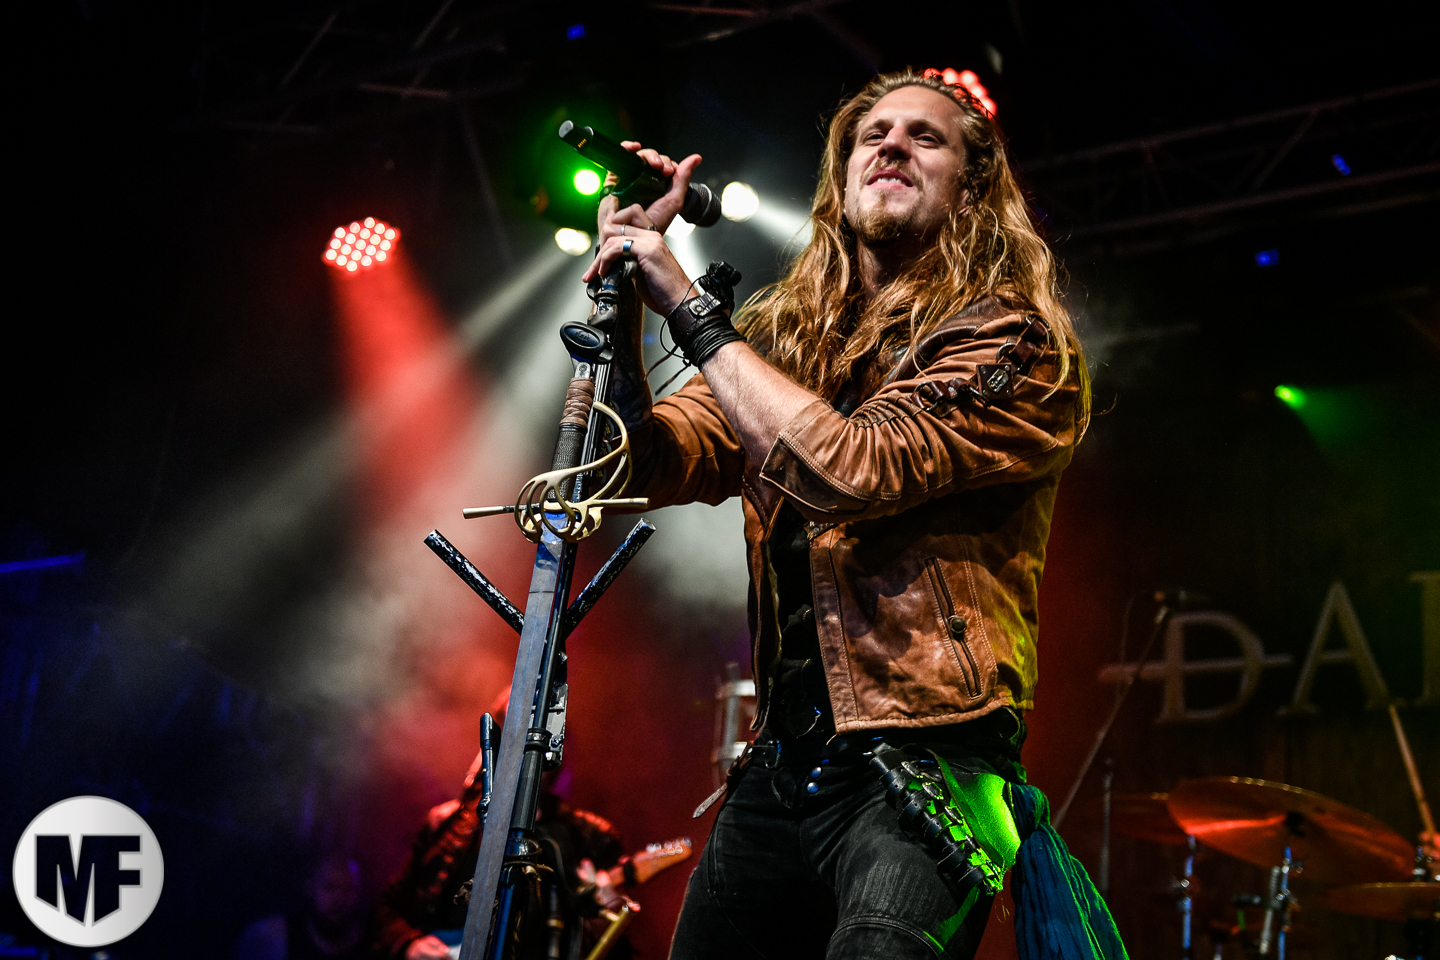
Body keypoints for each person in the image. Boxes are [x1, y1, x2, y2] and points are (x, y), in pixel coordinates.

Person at [580, 70, 1121, 959]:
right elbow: (635, 466)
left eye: (925, 136)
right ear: (841, 180)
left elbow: (856, 467)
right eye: (873, 134)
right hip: (781, 764)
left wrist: (690, 308)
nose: (892, 145)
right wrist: (629, 291)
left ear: (972, 188)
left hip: (928, 762)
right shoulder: (786, 346)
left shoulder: (1016, 341)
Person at [232, 856, 369, 960]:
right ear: (310, 888)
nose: (339, 899)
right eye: (329, 887)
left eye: (348, 889)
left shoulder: (369, 945)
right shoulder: (271, 936)